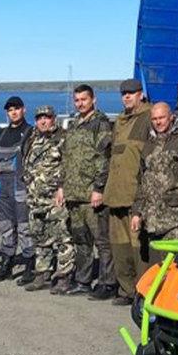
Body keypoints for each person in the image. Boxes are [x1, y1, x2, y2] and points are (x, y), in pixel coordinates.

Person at [56, 84, 116, 299]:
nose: (80, 103)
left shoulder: (100, 124)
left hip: (92, 194)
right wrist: (62, 186)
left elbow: (104, 159)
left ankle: (108, 283)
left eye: (84, 99)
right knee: (81, 240)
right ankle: (83, 280)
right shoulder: (73, 125)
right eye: (77, 100)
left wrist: (99, 188)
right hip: (74, 193)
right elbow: (66, 159)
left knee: (102, 241)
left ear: (93, 100)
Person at [131, 102, 178, 266]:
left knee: (174, 267)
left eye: (162, 118)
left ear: (171, 117)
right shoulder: (150, 143)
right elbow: (142, 180)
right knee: (157, 268)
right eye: (154, 119)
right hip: (152, 219)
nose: (158, 122)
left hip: (175, 216)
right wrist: (137, 212)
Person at [104, 78, 152, 306]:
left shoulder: (149, 117)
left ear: (140, 94)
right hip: (116, 193)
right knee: (120, 247)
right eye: (124, 93)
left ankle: (143, 293)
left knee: (138, 248)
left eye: (132, 93)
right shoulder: (120, 121)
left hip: (136, 193)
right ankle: (126, 290)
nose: (127, 97)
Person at [22, 105, 74, 292]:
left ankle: (64, 276)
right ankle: (42, 273)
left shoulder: (63, 138)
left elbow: (69, 164)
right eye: (39, 118)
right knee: (40, 237)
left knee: (62, 238)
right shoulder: (33, 138)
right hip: (35, 197)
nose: (43, 121)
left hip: (54, 198)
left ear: (53, 118)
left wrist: (62, 187)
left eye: (47, 117)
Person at [0, 96, 34, 284]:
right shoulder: (2, 134)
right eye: (10, 110)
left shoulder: (31, 132)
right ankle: (6, 265)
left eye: (16, 109)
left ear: (24, 109)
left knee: (25, 228)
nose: (13, 112)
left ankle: (30, 266)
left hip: (21, 185)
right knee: (5, 226)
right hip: (3, 186)